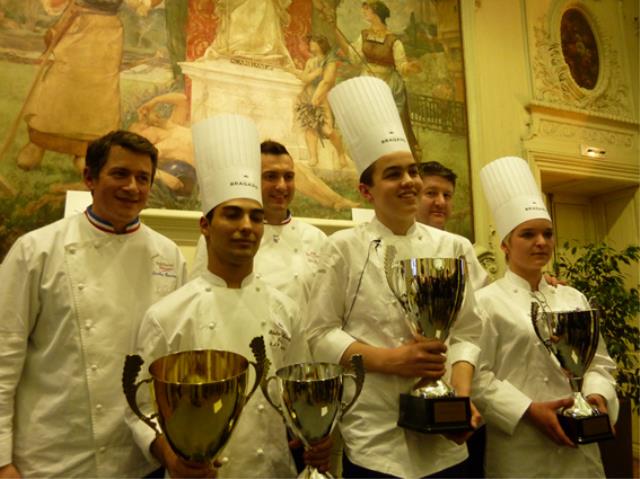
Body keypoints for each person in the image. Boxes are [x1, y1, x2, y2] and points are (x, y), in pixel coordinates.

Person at [127, 115, 331, 478]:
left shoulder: (286, 310)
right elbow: (141, 410)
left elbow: (297, 394)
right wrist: (171, 458)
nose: (246, 227)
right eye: (232, 215)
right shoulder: (168, 314)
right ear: (205, 225)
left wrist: (316, 432)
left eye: (255, 217)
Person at [306, 76, 483, 478]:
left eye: (412, 171)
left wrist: (460, 397)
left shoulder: (455, 248)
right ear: (366, 191)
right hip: (375, 436)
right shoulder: (343, 248)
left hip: (445, 443)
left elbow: (470, 333)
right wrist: (392, 360)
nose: (408, 181)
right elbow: (320, 333)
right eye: (393, 174)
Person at [0, 130, 187, 477]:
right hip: (50, 456)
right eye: (120, 174)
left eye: (142, 178)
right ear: (90, 177)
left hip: (136, 458)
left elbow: (170, 361)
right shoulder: (36, 250)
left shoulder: (169, 257)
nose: (132, 187)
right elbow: (3, 356)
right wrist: (1, 459)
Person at [472, 156, 618, 478]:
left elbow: (600, 362)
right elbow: (477, 376)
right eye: (528, 234)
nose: (541, 242)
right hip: (520, 445)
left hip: (580, 447)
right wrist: (528, 410)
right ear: (505, 244)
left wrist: (596, 397)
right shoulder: (485, 302)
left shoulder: (573, 297)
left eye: (547, 234)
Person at [191, 140, 327, 303]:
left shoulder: (317, 238)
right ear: (252, 179)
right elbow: (198, 293)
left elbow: (326, 304)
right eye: (271, 176)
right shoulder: (222, 235)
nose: (282, 186)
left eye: (288, 177)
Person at [17, 0, 125, 171]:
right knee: (60, 84)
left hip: (107, 33)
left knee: (99, 92)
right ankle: (37, 144)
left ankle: (84, 152)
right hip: (76, 25)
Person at [334, 1, 421, 159]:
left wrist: (410, 67)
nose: (364, 13)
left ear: (376, 13)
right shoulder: (364, 35)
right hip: (366, 82)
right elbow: (355, 58)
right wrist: (338, 36)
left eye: (367, 10)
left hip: (387, 84)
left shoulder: (393, 40)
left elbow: (401, 65)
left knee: (384, 125)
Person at [417, 161, 489, 291]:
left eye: (447, 195)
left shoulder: (460, 245)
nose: (441, 202)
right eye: (431, 193)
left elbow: (479, 297)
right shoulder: (394, 241)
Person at [292, 35, 349, 169]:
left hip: (322, 97)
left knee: (328, 130)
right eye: (310, 43)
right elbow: (305, 78)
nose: (310, 45)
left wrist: (316, 98)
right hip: (307, 95)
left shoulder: (330, 62)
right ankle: (313, 157)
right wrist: (314, 74)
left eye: (313, 43)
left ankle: (341, 153)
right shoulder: (311, 61)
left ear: (321, 45)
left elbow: (327, 82)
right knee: (309, 127)